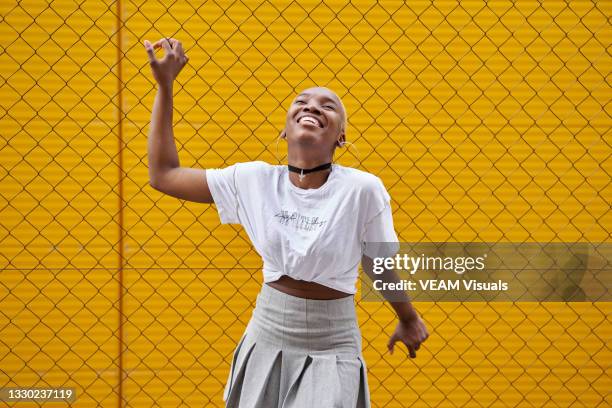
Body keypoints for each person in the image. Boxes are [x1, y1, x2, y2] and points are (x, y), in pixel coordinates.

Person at [144, 37, 429, 407]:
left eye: (328, 106)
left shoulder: (363, 190)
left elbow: (379, 265)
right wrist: (165, 88)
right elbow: (164, 174)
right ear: (284, 129)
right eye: (302, 102)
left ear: (340, 136)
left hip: (333, 342)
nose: (312, 106)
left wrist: (407, 317)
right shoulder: (253, 180)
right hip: (267, 332)